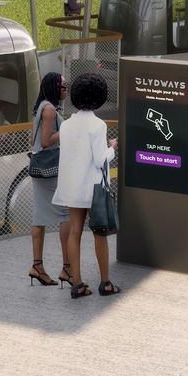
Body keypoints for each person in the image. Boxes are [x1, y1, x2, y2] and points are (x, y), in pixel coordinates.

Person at [52, 73, 116, 298]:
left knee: (75, 231)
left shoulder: (67, 125)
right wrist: (112, 148)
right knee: (99, 233)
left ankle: (77, 283)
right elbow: (100, 160)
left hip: (72, 186)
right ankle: (105, 283)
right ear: (99, 96)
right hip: (93, 188)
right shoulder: (98, 125)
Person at [25, 72, 66, 287]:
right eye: (63, 86)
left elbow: (33, 141)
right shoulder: (50, 110)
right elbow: (46, 141)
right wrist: (67, 129)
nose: (66, 90)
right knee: (66, 213)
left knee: (39, 216)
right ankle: (68, 268)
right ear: (54, 88)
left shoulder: (40, 107)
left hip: (39, 168)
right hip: (51, 169)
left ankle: (37, 266)